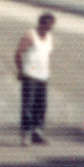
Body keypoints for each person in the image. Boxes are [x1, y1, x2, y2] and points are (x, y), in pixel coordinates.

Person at [15, 11, 56, 145]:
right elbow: (18, 53)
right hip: (30, 76)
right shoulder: (30, 35)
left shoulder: (49, 37)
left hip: (43, 76)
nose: (48, 28)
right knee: (28, 106)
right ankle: (25, 134)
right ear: (40, 23)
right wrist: (21, 71)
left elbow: (46, 56)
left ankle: (37, 133)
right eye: (46, 25)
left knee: (41, 106)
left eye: (51, 26)